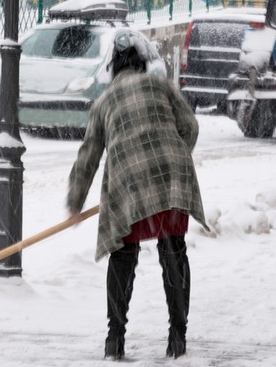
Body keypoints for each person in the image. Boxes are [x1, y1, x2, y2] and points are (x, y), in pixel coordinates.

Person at [67, 47, 208, 360]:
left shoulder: (104, 102)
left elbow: (88, 155)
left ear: (114, 73)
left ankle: (114, 339)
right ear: (142, 68)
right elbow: (191, 127)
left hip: (128, 183)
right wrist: (172, 155)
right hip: (172, 177)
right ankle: (177, 336)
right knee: (173, 250)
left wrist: (75, 202)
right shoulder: (160, 85)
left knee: (123, 255)